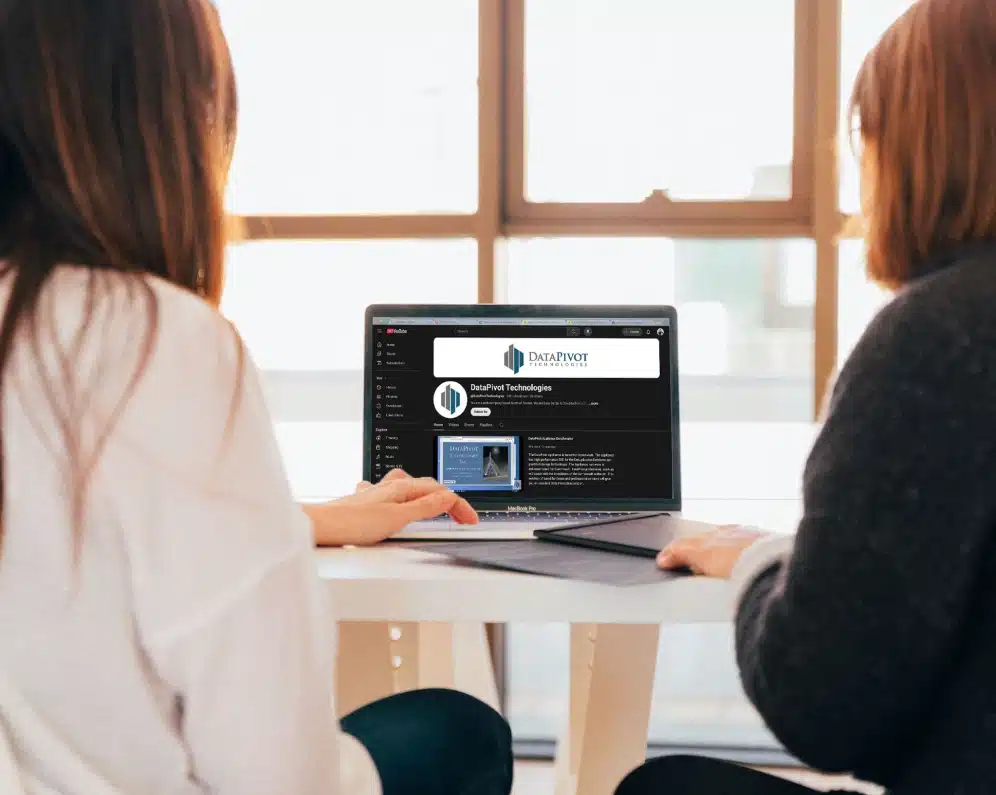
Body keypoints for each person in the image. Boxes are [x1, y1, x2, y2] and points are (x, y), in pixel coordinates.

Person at [0, 1, 513, 794]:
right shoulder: (153, 342)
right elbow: (277, 772)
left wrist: (305, 519)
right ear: (167, 126)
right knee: (464, 732)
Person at [616, 0, 996, 793]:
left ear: (911, 146)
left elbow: (823, 705)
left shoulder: (937, 337)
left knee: (660, 787)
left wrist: (761, 562)